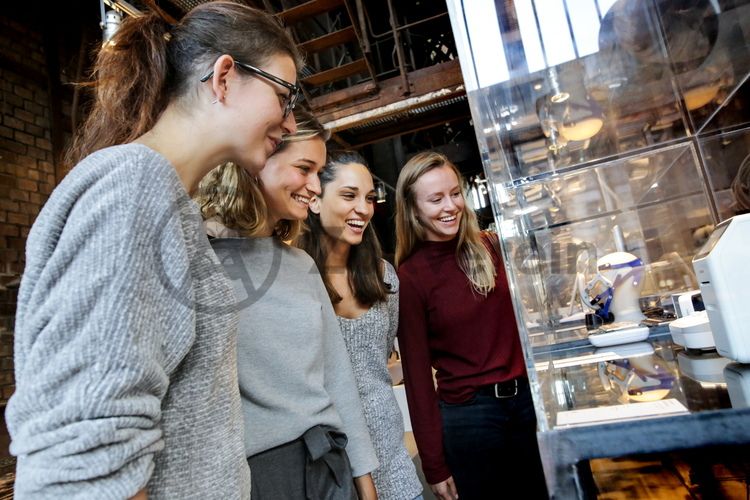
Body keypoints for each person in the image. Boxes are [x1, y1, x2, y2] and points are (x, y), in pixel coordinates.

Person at [6, 3, 302, 498]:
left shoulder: (166, 200)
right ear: (225, 77)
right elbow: (87, 457)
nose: (290, 124)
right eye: (285, 96)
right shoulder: (134, 184)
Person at [199, 110, 379, 500]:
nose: (316, 186)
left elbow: (338, 378)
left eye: (320, 171)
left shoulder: (301, 265)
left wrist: (364, 478)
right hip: (256, 476)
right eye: (305, 168)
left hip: (329, 463)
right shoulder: (201, 258)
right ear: (256, 158)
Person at [394, 152, 548, 500]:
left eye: (455, 193)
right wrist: (434, 464)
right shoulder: (411, 277)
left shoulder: (490, 246)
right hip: (470, 418)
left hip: (528, 403)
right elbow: (417, 378)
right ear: (414, 209)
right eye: (435, 199)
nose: (450, 206)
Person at [295, 151, 424, 500]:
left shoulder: (385, 278)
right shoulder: (294, 282)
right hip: (332, 464)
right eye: (349, 195)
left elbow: (380, 360)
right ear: (316, 201)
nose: (364, 209)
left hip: (394, 457)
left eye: (368, 198)